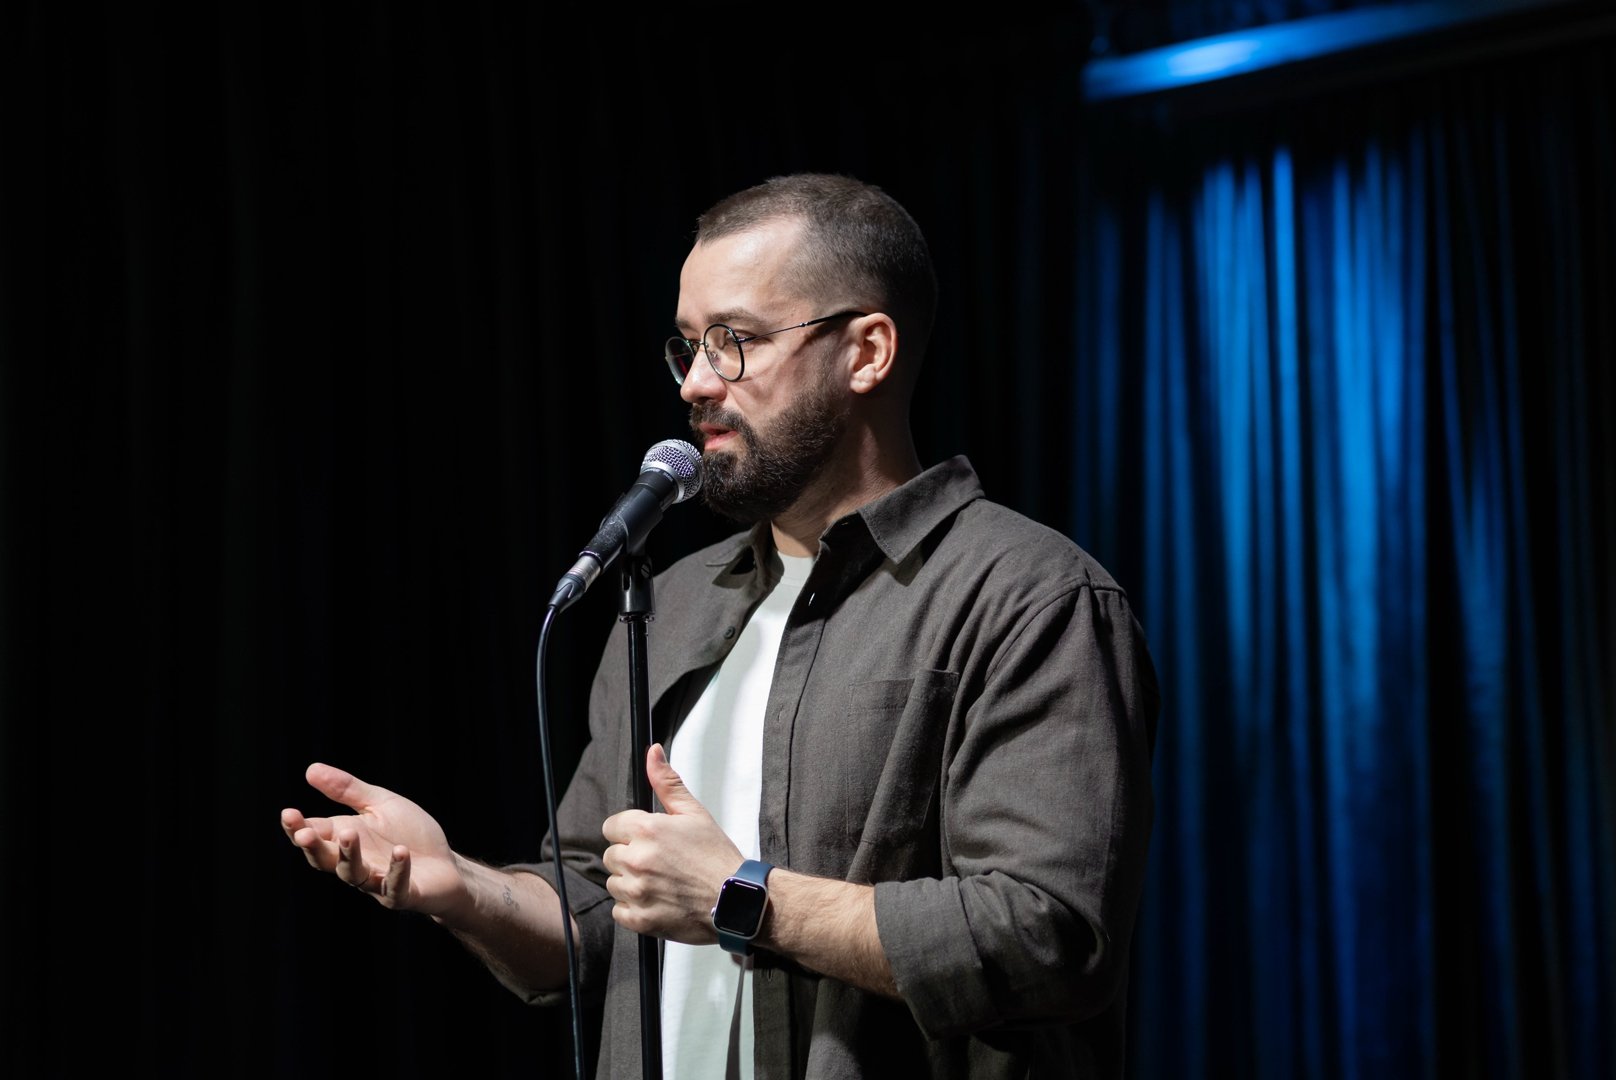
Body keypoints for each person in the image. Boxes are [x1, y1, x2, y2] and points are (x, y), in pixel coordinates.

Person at [281, 173, 1159, 1079]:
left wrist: (743, 898)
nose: (697, 382)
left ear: (866, 352)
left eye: (735, 341)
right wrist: (460, 887)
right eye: (689, 346)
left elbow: (1048, 937)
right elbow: (598, 912)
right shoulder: (672, 603)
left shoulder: (1028, 598)